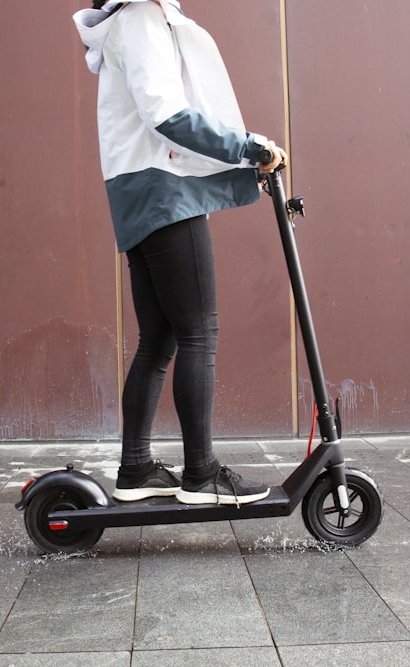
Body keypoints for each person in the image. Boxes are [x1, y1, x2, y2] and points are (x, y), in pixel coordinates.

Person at [73, 0, 288, 505]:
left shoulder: (125, 24)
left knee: (160, 338)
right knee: (199, 332)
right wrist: (249, 147)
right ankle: (202, 473)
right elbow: (167, 114)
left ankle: (137, 467)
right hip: (163, 192)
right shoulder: (142, 19)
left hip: (136, 193)